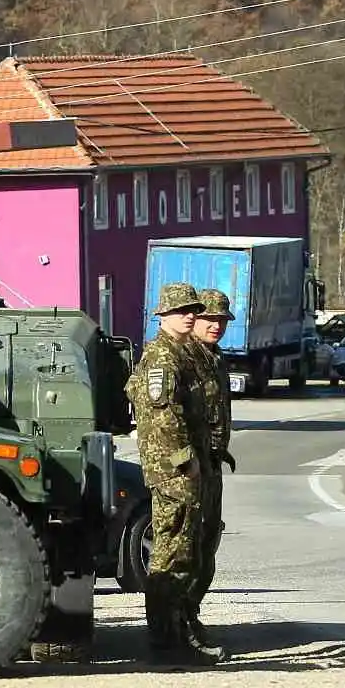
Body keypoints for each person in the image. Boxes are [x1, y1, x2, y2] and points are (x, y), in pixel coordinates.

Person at [123, 283, 224, 666]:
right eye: (182, 310)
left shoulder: (184, 353)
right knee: (172, 552)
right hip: (173, 471)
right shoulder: (163, 357)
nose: (191, 316)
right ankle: (166, 641)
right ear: (163, 315)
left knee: (188, 548)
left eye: (192, 310)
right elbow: (163, 416)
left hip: (187, 467)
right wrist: (186, 460)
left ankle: (178, 630)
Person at [186, 288, 237, 651]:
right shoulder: (183, 359)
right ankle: (178, 626)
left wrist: (220, 450)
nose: (216, 326)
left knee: (206, 548)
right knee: (184, 550)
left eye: (221, 321)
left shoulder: (215, 359)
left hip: (210, 465)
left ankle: (191, 615)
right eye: (209, 320)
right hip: (189, 468)